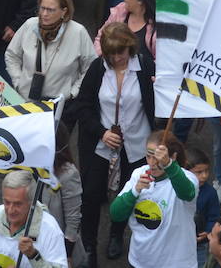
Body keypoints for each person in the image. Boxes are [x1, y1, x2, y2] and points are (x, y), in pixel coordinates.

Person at [67, 22, 154, 266]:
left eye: (121, 52)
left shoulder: (145, 67)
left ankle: (116, 234)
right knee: (91, 195)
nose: (116, 58)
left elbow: (156, 102)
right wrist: (102, 132)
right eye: (111, 53)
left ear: (130, 48)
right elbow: (82, 106)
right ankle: (89, 246)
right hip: (100, 146)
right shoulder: (97, 69)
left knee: (127, 193)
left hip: (136, 144)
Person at [109, 130, 198, 268]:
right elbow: (116, 214)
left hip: (176, 263)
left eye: (159, 158)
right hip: (140, 261)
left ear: (173, 157)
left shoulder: (187, 177)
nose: (152, 163)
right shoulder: (138, 174)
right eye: (149, 156)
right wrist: (134, 191)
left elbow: (187, 193)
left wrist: (169, 165)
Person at [6, 0, 95, 102]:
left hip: (60, 106)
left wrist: (73, 92)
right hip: (26, 101)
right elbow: (11, 55)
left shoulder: (78, 32)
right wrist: (18, 82)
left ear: (64, 11)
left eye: (50, 10)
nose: (44, 14)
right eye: (42, 8)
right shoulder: (29, 25)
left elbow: (91, 67)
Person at [0, 171, 68, 268]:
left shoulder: (50, 229)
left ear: (31, 202)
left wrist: (34, 256)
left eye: (17, 204)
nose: (10, 210)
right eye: (7, 202)